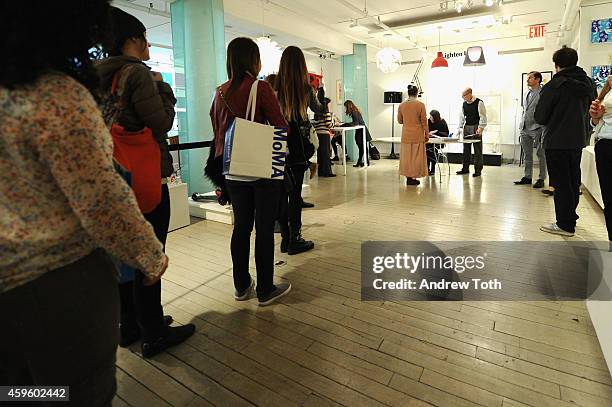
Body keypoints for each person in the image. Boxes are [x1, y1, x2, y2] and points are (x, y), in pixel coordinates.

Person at [0, 1, 168, 404]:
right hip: (57, 287)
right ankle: (152, 328)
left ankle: (132, 325)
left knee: (21, 393)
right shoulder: (56, 95)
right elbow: (99, 198)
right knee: (78, 393)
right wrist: (149, 254)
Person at [96, 6, 194, 358]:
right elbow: (162, 124)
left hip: (114, 177)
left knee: (125, 255)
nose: (149, 46)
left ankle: (129, 326)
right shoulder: (137, 75)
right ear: (133, 39)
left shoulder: (97, 77)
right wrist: (165, 91)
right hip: (146, 177)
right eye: (145, 39)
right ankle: (154, 331)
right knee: (150, 255)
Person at [210, 37, 291, 305]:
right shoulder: (261, 88)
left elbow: (218, 132)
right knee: (264, 228)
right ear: (253, 60)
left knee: (241, 228)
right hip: (261, 169)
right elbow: (281, 127)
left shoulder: (219, 92)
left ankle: (241, 285)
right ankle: (265, 290)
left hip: (232, 170)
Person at [535, 46, 597, 237]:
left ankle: (565, 224)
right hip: (578, 139)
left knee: (561, 183)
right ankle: (570, 218)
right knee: (572, 181)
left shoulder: (555, 85)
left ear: (557, 65)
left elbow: (540, 116)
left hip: (557, 141)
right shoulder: (588, 83)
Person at [276, 46, 326, 255]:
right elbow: (318, 109)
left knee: (281, 192)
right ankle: (295, 237)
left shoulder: (273, 85)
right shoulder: (305, 88)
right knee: (295, 193)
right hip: (297, 145)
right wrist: (319, 90)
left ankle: (285, 239)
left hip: (278, 143)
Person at [589, 75, 612, 249]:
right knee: (608, 197)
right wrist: (595, 117)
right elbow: (600, 121)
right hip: (604, 143)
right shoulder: (608, 90)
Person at [515, 71, 547, 188]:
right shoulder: (526, 93)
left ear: (537, 79)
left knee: (540, 154)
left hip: (537, 127)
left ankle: (541, 178)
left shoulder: (543, 92)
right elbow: (526, 110)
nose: (527, 80)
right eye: (527, 78)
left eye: (530, 78)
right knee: (527, 154)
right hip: (524, 127)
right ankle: (527, 177)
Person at [397, 85, 429, 185]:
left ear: (408, 93)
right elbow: (424, 121)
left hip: (406, 134)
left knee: (407, 157)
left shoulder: (401, 105)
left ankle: (408, 177)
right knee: (416, 157)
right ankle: (414, 177)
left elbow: (399, 120)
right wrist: (427, 133)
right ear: (417, 93)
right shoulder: (420, 105)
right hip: (417, 134)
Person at [456, 87, 487, 177]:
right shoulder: (464, 104)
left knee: (477, 149)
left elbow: (483, 116)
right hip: (467, 127)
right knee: (466, 149)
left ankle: (478, 170)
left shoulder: (479, 102)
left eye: (464, 96)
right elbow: (461, 117)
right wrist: (460, 128)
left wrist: (481, 128)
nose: (463, 98)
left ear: (470, 94)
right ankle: (465, 168)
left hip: (476, 127)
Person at [342, 100, 372, 167]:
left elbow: (355, 123)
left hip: (361, 131)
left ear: (348, 106)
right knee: (363, 147)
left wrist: (345, 124)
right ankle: (363, 161)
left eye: (346, 107)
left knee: (362, 147)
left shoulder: (354, 112)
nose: (345, 109)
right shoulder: (356, 111)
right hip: (361, 131)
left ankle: (362, 161)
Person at [313, 96, 336, 177]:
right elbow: (329, 124)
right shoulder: (326, 112)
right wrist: (333, 119)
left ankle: (321, 171)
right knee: (326, 154)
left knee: (320, 154)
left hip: (318, 134)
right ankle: (327, 172)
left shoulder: (317, 113)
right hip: (324, 134)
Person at [426, 110, 449, 176]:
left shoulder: (442, 122)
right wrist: (428, 134)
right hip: (429, 142)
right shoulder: (428, 121)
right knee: (428, 149)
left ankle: (431, 168)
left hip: (439, 143)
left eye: (431, 117)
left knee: (431, 150)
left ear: (435, 117)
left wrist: (436, 132)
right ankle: (428, 168)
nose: (430, 118)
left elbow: (446, 134)